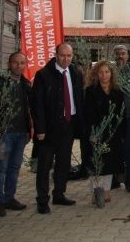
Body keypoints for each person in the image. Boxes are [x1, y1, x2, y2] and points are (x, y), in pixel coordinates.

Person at [32, 43, 84, 214]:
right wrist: (40, 129)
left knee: (63, 163)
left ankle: (59, 194)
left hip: (68, 125)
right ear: (56, 54)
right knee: (45, 165)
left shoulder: (76, 73)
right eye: (62, 55)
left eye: (69, 56)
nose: (66, 59)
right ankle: (42, 200)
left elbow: (79, 99)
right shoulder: (43, 75)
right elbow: (37, 104)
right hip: (48, 128)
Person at [0, 52, 32, 217]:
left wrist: (29, 129)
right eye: (15, 62)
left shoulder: (26, 85)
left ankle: (9, 198)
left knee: (14, 168)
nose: (19, 66)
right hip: (3, 134)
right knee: (1, 168)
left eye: (22, 63)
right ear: (9, 63)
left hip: (20, 134)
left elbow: (28, 110)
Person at [84, 61, 125, 204]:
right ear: (96, 74)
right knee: (96, 161)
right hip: (96, 132)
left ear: (111, 74)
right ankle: (96, 190)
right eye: (101, 72)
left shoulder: (118, 92)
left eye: (107, 72)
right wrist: (93, 133)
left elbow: (121, 113)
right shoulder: (90, 91)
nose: (104, 75)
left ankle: (106, 189)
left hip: (112, 133)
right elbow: (88, 114)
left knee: (109, 162)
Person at [113, 44, 130, 193]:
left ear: (127, 55)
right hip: (114, 119)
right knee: (114, 151)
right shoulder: (109, 71)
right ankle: (114, 180)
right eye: (117, 54)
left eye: (122, 53)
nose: (120, 56)